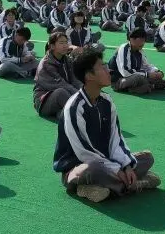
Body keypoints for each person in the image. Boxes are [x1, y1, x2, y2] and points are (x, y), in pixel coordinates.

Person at [53, 50, 159, 203]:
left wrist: (126, 166)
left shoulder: (107, 101)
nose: (108, 70)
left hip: (107, 162)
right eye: (102, 67)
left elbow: (116, 140)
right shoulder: (74, 107)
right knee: (94, 168)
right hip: (79, 166)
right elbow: (84, 152)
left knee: (147, 158)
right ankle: (130, 184)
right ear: (89, 76)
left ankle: (112, 186)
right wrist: (117, 169)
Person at [108, 28, 165, 94]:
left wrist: (157, 72)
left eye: (144, 39)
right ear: (131, 39)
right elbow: (125, 72)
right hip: (119, 80)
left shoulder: (139, 50)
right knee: (139, 78)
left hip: (134, 77)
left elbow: (147, 66)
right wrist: (148, 75)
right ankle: (148, 86)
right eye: (140, 39)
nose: (143, 42)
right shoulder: (124, 48)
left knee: (159, 79)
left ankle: (148, 86)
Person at [34, 31, 81, 120]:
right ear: (52, 46)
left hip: (65, 95)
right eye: (61, 43)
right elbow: (61, 84)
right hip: (43, 101)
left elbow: (75, 80)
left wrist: (85, 90)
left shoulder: (67, 59)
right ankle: (81, 112)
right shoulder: (46, 64)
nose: (65, 45)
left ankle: (65, 114)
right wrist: (81, 95)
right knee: (61, 92)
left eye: (66, 42)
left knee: (85, 90)